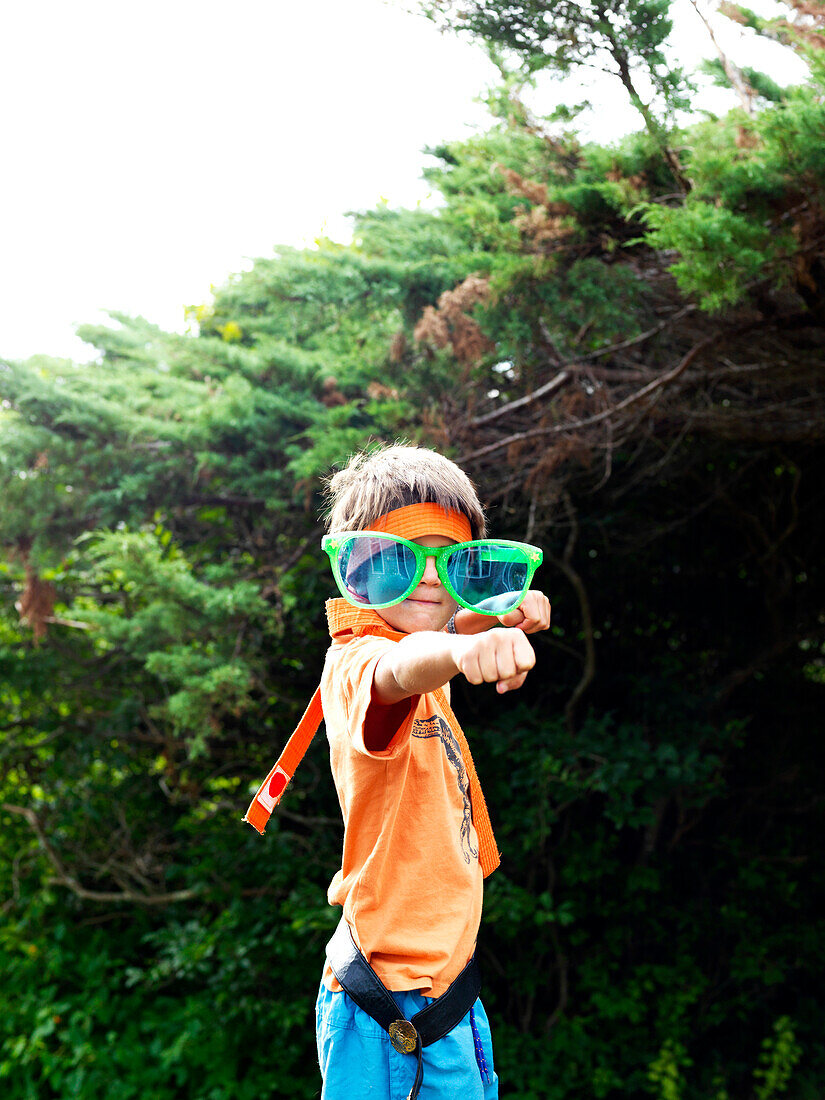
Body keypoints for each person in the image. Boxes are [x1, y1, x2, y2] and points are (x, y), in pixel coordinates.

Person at [245, 443, 551, 1100]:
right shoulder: (358, 665)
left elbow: (436, 625)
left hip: (446, 995)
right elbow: (403, 667)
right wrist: (467, 644)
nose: (432, 579)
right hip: (389, 1010)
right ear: (356, 570)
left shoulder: (425, 641)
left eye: (454, 561)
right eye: (402, 561)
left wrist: (505, 615)